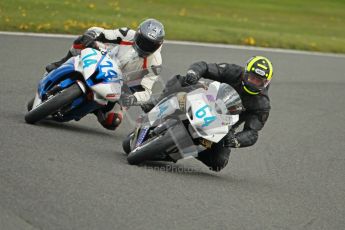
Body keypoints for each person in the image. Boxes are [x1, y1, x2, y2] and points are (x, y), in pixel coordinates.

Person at [45, 18, 165, 130]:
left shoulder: (155, 62)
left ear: (158, 45)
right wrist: (92, 35)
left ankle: (97, 109)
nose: (145, 47)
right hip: (105, 60)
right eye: (143, 41)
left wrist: (133, 99)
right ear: (137, 34)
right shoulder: (127, 34)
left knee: (112, 122)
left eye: (151, 45)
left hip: (120, 86)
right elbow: (104, 33)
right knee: (83, 40)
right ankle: (61, 63)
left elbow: (146, 91)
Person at [159, 56, 273, 171]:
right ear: (245, 73)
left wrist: (235, 140)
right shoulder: (234, 72)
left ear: (265, 83)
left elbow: (252, 132)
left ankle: (183, 150)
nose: (253, 83)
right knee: (183, 80)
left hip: (224, 126)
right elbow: (205, 67)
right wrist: (194, 73)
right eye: (252, 78)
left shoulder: (262, 104)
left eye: (258, 81)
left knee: (219, 162)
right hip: (206, 99)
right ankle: (158, 104)